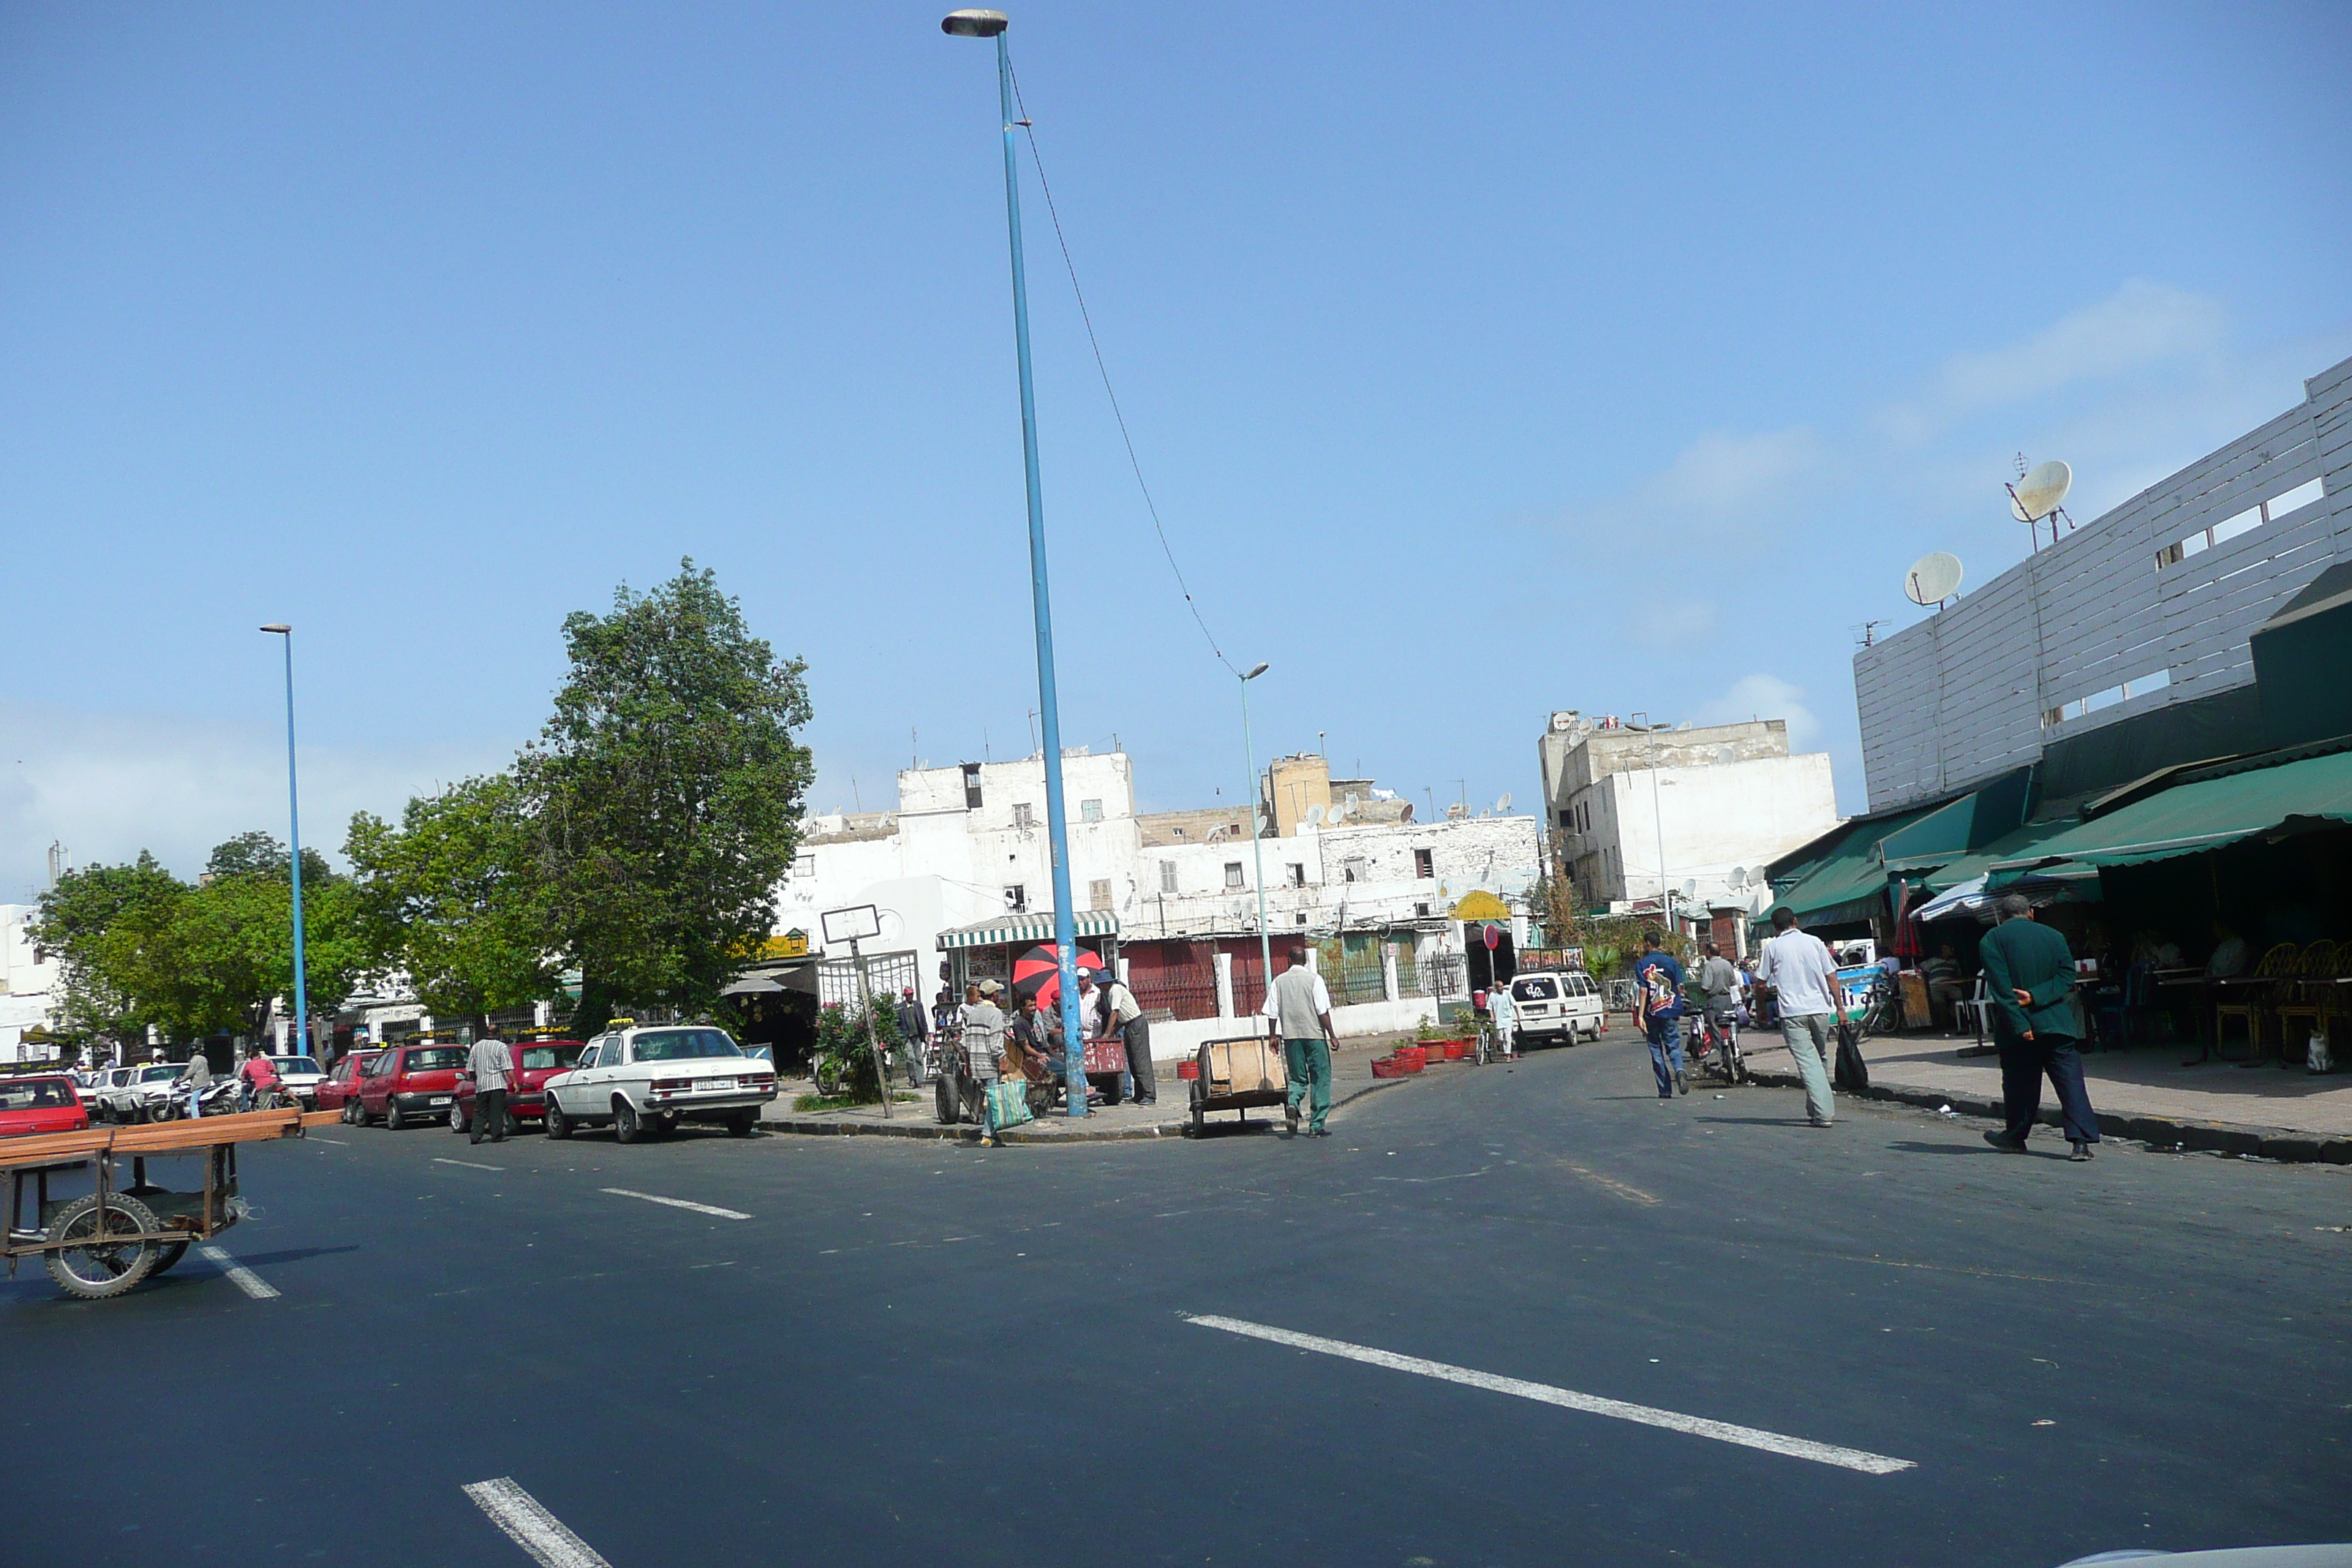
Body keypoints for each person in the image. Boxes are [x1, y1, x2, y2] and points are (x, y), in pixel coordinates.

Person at [1978, 894, 2100, 1160]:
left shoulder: (1992, 940)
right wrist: (2037, 995)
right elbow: (2067, 976)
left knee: (2020, 1086)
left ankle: (2015, 1136)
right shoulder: (2054, 936)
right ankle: (2080, 1142)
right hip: (2057, 1023)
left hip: (2017, 1029)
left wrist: (2021, 1023)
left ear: (2002, 915)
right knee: (2070, 1083)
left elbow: (2001, 990)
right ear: (2031, 912)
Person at [1755, 906, 1843, 1127]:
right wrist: (1840, 1008)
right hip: (1820, 1009)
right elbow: (1831, 976)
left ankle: (1823, 1114)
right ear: (1795, 921)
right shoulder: (1814, 942)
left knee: (1808, 1062)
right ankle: (1815, 1108)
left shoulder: (1773, 948)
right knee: (1819, 1058)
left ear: (1775, 927)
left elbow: (1760, 983)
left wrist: (1762, 1009)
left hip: (1793, 1013)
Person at [1262, 947, 1338, 1137]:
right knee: (1320, 1077)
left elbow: (1272, 1012)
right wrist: (1332, 1035)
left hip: (1291, 1037)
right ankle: (1316, 1125)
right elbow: (1322, 1011)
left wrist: (1272, 1036)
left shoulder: (1278, 982)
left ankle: (1293, 1102)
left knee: (1298, 1078)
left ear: (1289, 960)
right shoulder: (1314, 980)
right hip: (1314, 1036)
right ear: (1305, 961)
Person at [1632, 930, 1686, 1099]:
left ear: (1647, 944)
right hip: (1670, 1011)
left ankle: (1665, 1090)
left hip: (1651, 1013)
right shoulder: (1672, 962)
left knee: (1656, 1050)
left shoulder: (1642, 964)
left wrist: (1640, 1016)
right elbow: (1679, 987)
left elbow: (1642, 990)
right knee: (1673, 1046)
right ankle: (1679, 1070)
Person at [1090, 970, 1154, 1106]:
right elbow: (1120, 1019)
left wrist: (1107, 1033)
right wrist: (1114, 1032)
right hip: (1128, 1025)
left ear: (1106, 983)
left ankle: (1149, 1095)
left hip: (1136, 1024)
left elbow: (1115, 1013)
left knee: (1141, 1061)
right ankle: (1139, 1095)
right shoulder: (1111, 993)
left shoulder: (1116, 989)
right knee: (1133, 1062)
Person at [466, 1030, 513, 1144]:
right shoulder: (501, 1047)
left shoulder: (476, 1047)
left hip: (482, 1085)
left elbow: (470, 1069)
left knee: (480, 1112)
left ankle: (475, 1136)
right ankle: (496, 1136)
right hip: (497, 1084)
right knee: (496, 1111)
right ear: (497, 1034)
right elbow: (507, 1067)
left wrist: (476, 1079)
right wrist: (514, 1082)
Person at [1695, 943, 1740, 1050]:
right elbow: (1733, 982)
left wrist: (1700, 992)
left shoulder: (1709, 966)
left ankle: (1721, 1053)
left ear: (1709, 952)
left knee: (1716, 1029)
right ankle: (1734, 1050)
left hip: (1715, 1000)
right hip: (1728, 999)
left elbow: (1706, 986)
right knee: (1729, 1027)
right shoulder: (1727, 964)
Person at [1921, 943, 1970, 1028]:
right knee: (1939, 1002)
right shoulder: (1932, 961)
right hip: (1935, 986)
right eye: (1949, 949)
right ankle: (1943, 1024)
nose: (1951, 951)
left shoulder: (1954, 962)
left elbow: (1958, 976)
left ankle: (1952, 1013)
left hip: (1950, 986)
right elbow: (1917, 968)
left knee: (1963, 997)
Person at [238, 1045, 282, 1111]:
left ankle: (245, 1108)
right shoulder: (266, 1058)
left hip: (259, 1083)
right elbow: (275, 1070)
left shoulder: (250, 1062)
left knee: (244, 1091)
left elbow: (243, 1075)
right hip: (270, 1080)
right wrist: (279, 1077)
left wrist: (244, 1079)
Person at [176, 1047, 214, 1119]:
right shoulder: (203, 1058)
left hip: (199, 1083)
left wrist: (180, 1080)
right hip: (206, 1081)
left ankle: (196, 1118)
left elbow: (190, 1073)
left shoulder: (194, 1060)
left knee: (193, 1103)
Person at [1488, 981, 1517, 1060]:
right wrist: (1492, 1017)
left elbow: (1514, 1005)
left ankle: (1508, 1054)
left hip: (1507, 1019)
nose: (1502, 988)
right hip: (1498, 1020)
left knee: (1508, 1037)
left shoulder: (1507, 994)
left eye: (1502, 986)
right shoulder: (1492, 995)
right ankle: (1505, 1049)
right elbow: (1490, 1008)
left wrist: (1518, 1016)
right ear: (1496, 988)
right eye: (1500, 987)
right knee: (1501, 1038)